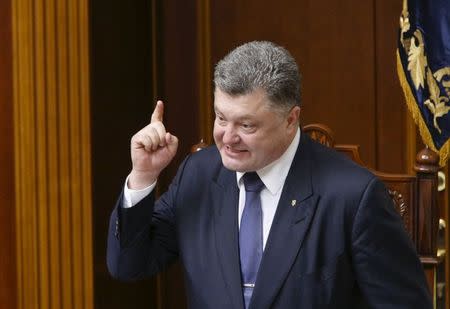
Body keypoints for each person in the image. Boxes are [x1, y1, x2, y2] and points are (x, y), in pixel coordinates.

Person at [107, 41, 432, 308]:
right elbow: (129, 266)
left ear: (291, 119)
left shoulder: (353, 196)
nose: (227, 138)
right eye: (221, 118)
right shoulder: (199, 174)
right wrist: (143, 176)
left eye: (246, 125)